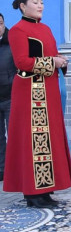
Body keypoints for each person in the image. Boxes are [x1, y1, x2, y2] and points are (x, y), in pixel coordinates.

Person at [1, 0, 71, 207]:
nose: (40, 5)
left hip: (48, 91)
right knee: (32, 141)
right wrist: (52, 62)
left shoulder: (46, 29)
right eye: (35, 2)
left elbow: (50, 55)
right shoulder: (18, 31)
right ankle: (32, 193)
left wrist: (60, 60)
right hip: (29, 94)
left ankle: (45, 189)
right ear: (23, 6)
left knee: (48, 140)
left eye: (41, 1)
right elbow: (22, 62)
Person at [0, 13, 16, 183]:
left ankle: (15, 170)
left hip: (11, 96)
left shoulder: (12, 41)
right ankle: (1, 170)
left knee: (14, 135)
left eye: (0, 23)